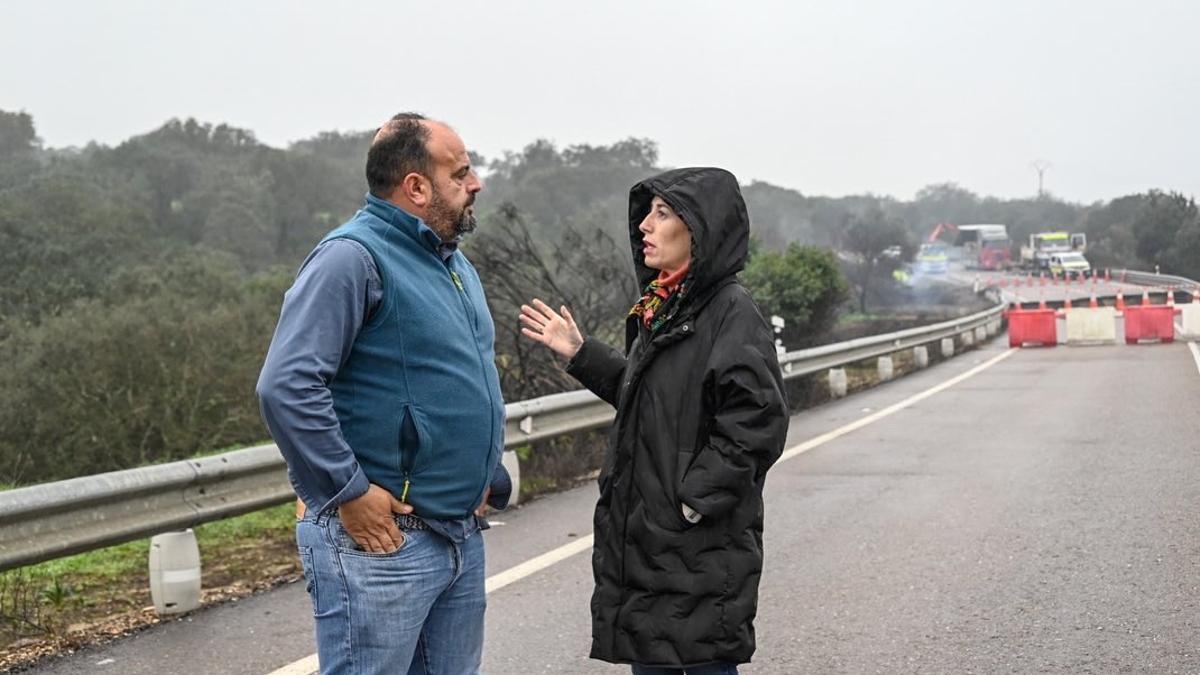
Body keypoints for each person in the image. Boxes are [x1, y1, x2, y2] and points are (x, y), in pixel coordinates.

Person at [256, 113, 508, 675]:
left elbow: (460, 376)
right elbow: (286, 385)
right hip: (383, 542)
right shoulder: (351, 258)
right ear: (416, 187)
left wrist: (485, 472)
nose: (477, 183)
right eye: (461, 172)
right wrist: (348, 490)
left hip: (457, 535)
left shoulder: (453, 263)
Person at [519, 167, 790, 674]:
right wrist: (581, 353)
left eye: (662, 213)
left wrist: (692, 500)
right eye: (648, 213)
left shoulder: (731, 312)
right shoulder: (660, 309)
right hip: (647, 537)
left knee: (704, 660)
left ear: (699, 228)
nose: (645, 224)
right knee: (652, 659)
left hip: (697, 540)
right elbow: (652, 399)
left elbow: (758, 419)